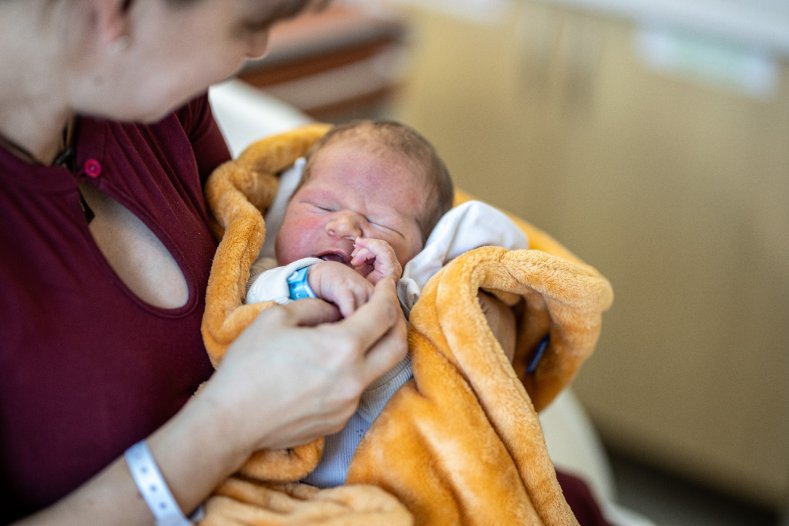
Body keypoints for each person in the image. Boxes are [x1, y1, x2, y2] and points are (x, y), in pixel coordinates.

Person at [0, 1, 411, 524]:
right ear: (114, 12)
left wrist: (462, 311)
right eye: (251, 24)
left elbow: (272, 225)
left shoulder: (159, 105)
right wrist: (230, 423)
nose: (258, 48)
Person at [243, 119, 528, 487]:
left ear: (420, 254)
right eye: (321, 205)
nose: (345, 225)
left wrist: (390, 309)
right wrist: (308, 278)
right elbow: (251, 301)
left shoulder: (412, 308)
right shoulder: (267, 273)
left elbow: (428, 403)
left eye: (381, 223)